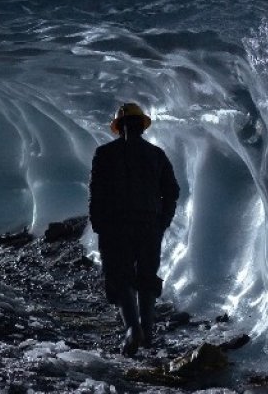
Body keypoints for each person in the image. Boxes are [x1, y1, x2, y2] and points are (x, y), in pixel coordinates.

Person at [89, 102, 180, 356]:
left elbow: (96, 192)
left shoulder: (104, 153)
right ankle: (148, 333)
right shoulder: (156, 155)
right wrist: (163, 221)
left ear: (119, 128)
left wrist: (98, 223)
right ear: (142, 126)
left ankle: (132, 328)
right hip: (149, 223)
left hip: (115, 224)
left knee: (120, 276)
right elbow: (172, 191)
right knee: (147, 277)